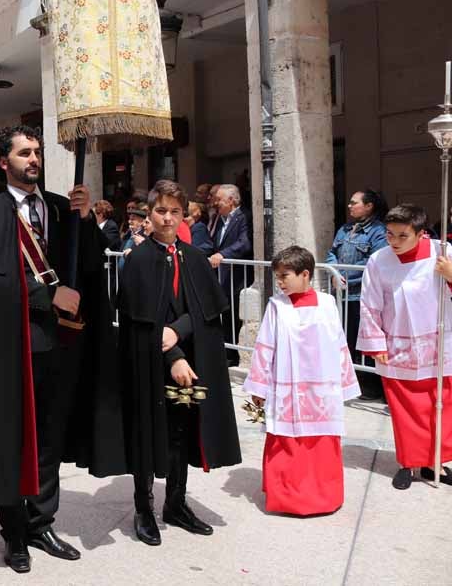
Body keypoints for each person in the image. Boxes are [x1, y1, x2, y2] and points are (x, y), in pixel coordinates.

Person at [0, 125, 123, 574]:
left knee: (49, 436)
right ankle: (14, 533)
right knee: (12, 437)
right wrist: (49, 295)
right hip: (11, 347)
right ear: (3, 161)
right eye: (24, 152)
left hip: (60, 344)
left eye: (37, 152)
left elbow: (90, 265)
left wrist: (85, 223)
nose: (33, 159)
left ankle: (41, 522)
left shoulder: (64, 209)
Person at [116, 179, 241, 546]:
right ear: (149, 214)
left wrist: (178, 331)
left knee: (181, 432)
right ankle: (143, 508)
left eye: (175, 212)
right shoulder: (138, 260)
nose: (168, 218)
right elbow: (139, 318)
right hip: (150, 363)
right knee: (147, 432)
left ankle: (175, 503)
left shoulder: (195, 257)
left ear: (184, 215)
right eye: (160, 211)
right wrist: (172, 355)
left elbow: (206, 310)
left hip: (191, 364)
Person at [243, 246, 360, 515]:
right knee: (286, 442)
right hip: (287, 386)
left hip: (322, 389)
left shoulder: (328, 304)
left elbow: (338, 342)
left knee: (321, 443)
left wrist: (344, 383)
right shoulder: (276, 306)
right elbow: (264, 347)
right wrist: (259, 387)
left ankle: (323, 497)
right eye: (277, 277)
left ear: (305, 274)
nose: (280, 282)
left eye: (285, 276)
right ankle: (287, 499)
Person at [357, 204, 452, 489]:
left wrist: (451, 274)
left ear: (421, 234)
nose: (394, 241)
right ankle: (408, 463)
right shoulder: (378, 260)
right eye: (389, 234)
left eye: (402, 235)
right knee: (405, 408)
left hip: (440, 342)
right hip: (398, 343)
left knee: (442, 405)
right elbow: (370, 304)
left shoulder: (443, 252)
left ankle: (434, 463)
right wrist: (376, 343)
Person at [325, 189, 388, 400]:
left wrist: (345, 278)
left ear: (369, 206)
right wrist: (334, 273)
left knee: (365, 341)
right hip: (342, 295)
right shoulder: (344, 229)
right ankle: (353, 381)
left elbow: (374, 262)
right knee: (346, 339)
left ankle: (371, 385)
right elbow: (332, 253)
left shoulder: (378, 231)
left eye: (354, 203)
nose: (350, 206)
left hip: (362, 295)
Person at [209, 184, 253, 365]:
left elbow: (245, 243)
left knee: (234, 315)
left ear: (231, 200)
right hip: (224, 277)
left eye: (219, 199)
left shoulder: (244, 216)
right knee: (226, 314)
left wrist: (223, 255)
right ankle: (227, 354)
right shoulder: (220, 219)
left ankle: (233, 356)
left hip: (238, 276)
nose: (215, 203)